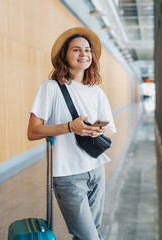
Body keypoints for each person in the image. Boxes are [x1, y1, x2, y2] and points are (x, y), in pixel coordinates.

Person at [27, 27, 116, 240]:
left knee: (89, 234)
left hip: (96, 170)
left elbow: (111, 130)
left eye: (87, 50)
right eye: (76, 50)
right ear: (64, 56)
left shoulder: (96, 91)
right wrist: (70, 127)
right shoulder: (51, 88)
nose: (83, 54)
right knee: (90, 237)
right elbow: (32, 131)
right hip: (68, 175)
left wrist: (98, 131)